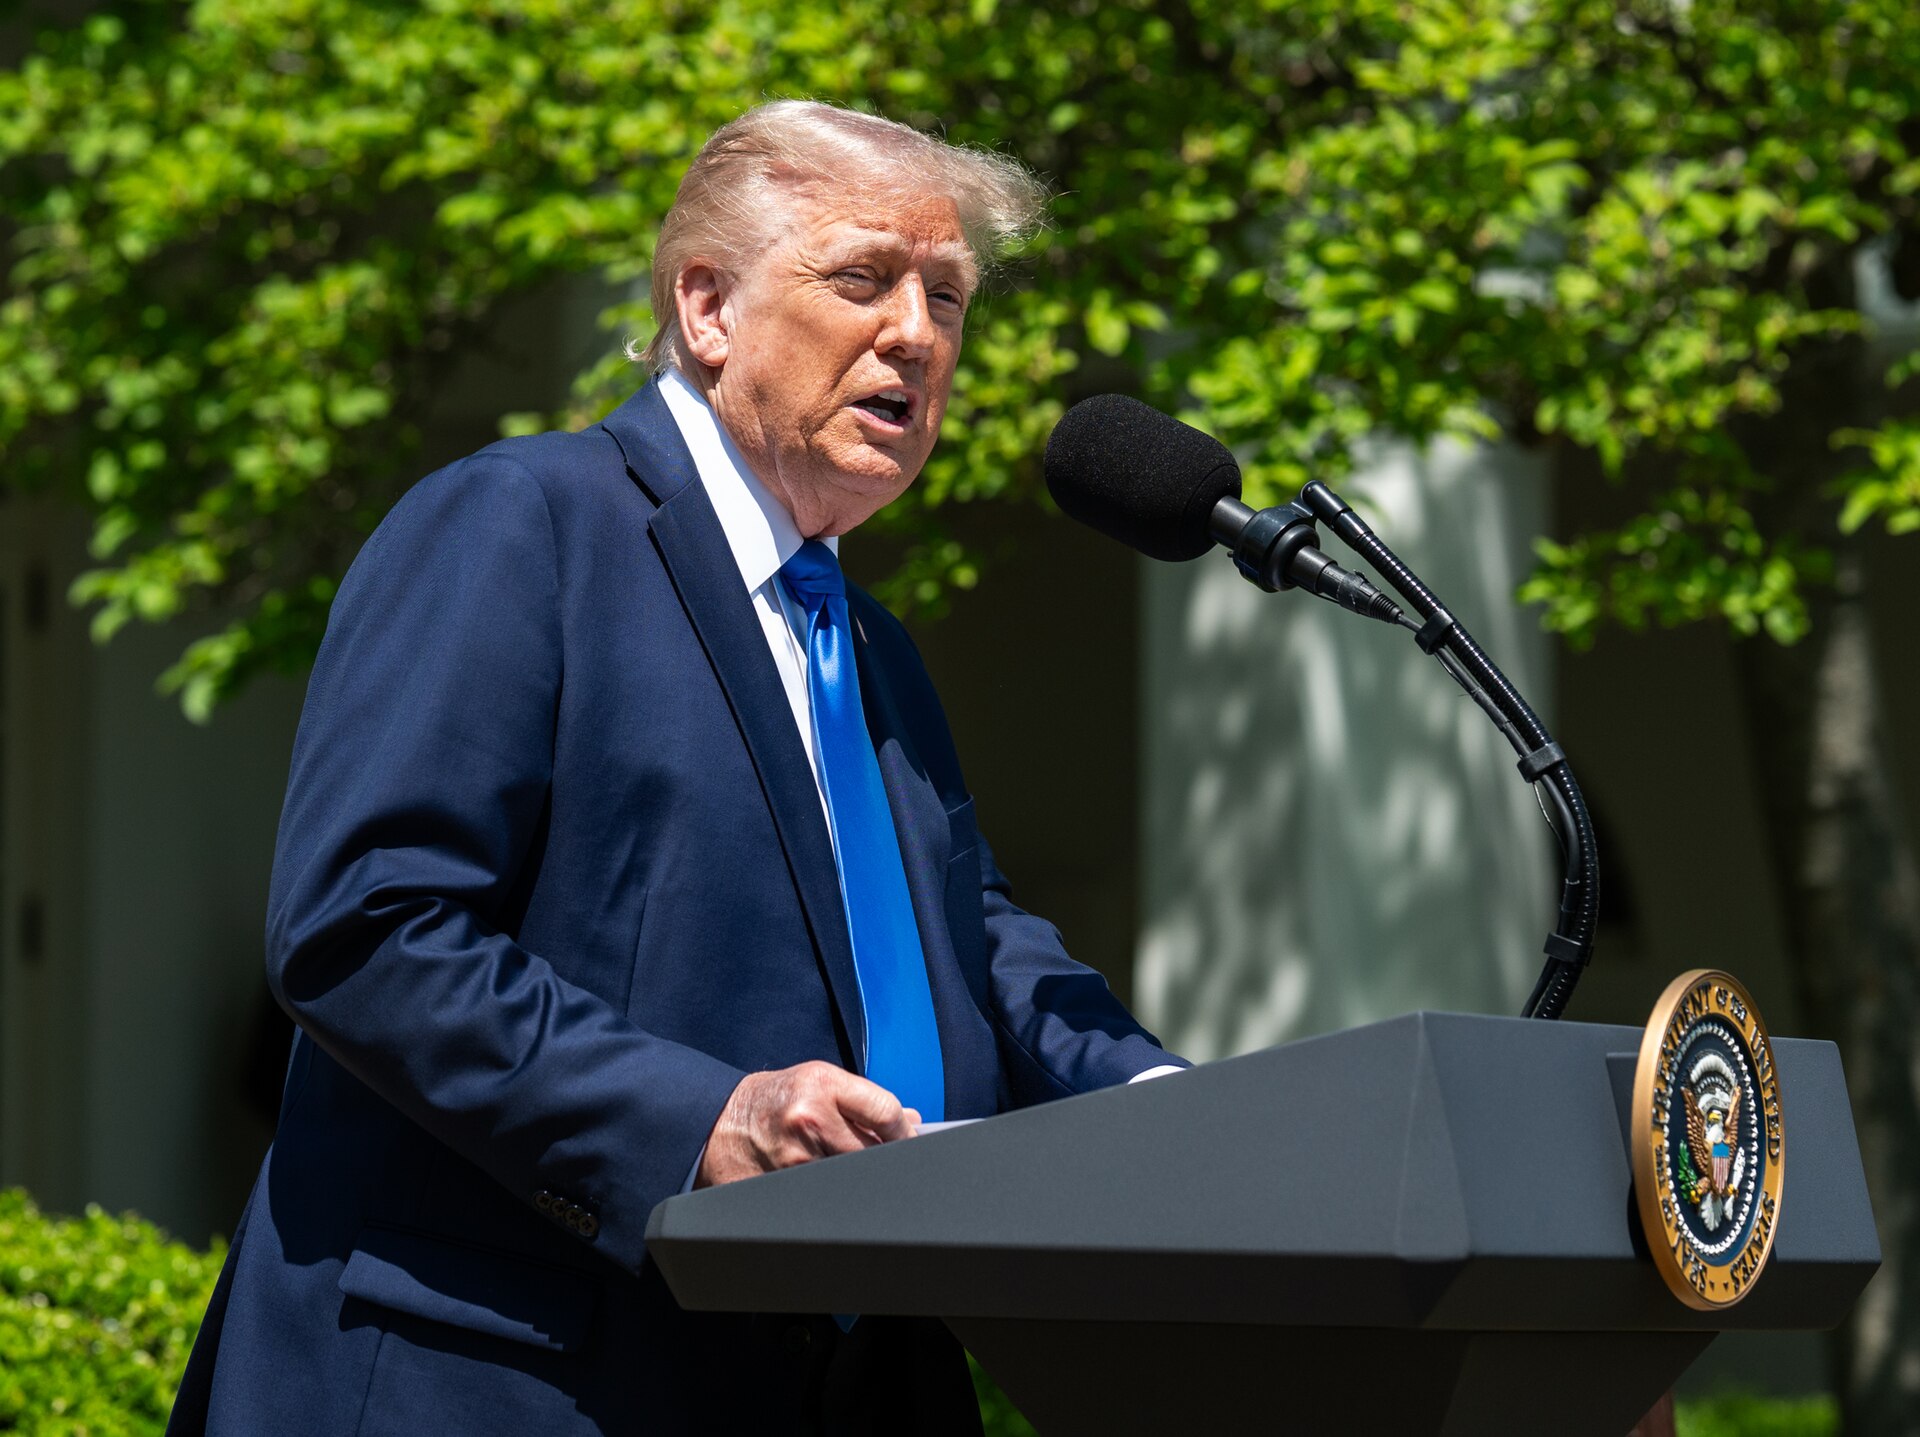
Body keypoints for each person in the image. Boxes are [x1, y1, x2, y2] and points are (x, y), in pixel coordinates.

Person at [168, 100, 1185, 1437]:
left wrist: (1172, 1113)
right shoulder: (524, 526)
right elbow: (368, 927)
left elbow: (979, 950)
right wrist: (702, 1115)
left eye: (946, 296)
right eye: (865, 278)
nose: (918, 334)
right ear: (706, 307)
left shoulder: (865, 645)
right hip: (505, 1377)